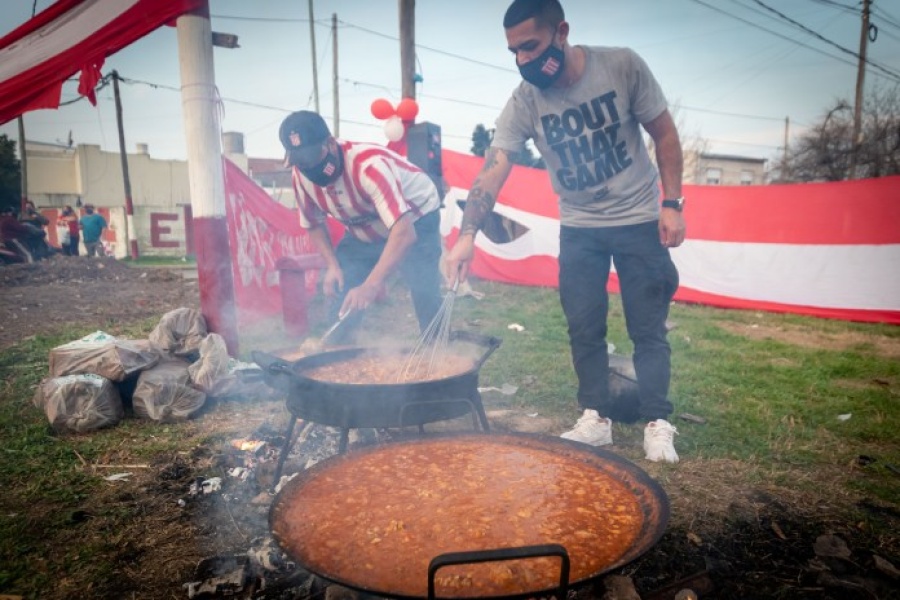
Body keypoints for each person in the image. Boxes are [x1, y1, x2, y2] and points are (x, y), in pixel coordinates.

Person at [444, 0, 686, 463]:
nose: (523, 61)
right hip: (579, 227)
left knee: (647, 326)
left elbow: (665, 134)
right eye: (514, 52)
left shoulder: (621, 65)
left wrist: (672, 204)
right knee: (583, 325)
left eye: (530, 46)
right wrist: (467, 235)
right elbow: (494, 167)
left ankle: (658, 420)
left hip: (637, 218)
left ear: (561, 32)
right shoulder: (525, 99)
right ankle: (596, 418)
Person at [278, 110, 443, 345]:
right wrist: (333, 265)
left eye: (313, 158)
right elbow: (313, 223)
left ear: (331, 144)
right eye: (301, 162)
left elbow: (404, 233)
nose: (309, 168)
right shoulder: (300, 176)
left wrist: (371, 284)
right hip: (362, 225)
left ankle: (437, 353)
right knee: (343, 285)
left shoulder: (369, 167)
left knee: (422, 285)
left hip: (415, 217)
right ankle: (336, 352)